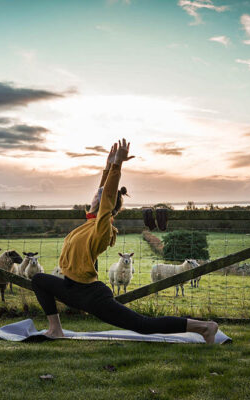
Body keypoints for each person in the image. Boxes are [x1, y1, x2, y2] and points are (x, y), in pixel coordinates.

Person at [31, 139, 219, 344]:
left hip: (90, 295)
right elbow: (104, 191)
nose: (95, 197)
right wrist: (108, 165)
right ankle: (55, 329)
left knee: (143, 325)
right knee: (39, 280)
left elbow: (108, 194)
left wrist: (118, 166)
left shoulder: (102, 228)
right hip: (70, 288)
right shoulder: (90, 223)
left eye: (99, 198)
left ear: (106, 206)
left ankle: (204, 327)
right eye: (97, 196)